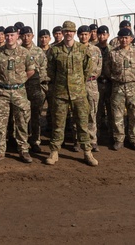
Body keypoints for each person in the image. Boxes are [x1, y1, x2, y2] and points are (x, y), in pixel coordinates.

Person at [45, 21, 98, 166]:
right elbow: (50, 70)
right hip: (61, 93)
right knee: (58, 124)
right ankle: (54, 152)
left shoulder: (82, 49)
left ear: (74, 33)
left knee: (82, 124)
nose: (68, 33)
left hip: (79, 93)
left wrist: (78, 81)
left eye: (71, 31)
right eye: (66, 31)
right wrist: (60, 82)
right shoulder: (55, 50)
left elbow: (87, 68)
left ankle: (87, 152)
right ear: (62, 32)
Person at [0, 26, 36, 163]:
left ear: (17, 35)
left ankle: (23, 150)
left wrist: (20, 81)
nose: (9, 38)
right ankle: (0, 150)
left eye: (12, 35)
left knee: (21, 121)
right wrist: (2, 80)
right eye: (7, 35)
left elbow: (31, 70)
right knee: (0, 123)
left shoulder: (24, 53)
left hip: (19, 92)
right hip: (2, 92)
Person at [106, 27, 135, 151]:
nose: (124, 40)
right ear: (118, 39)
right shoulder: (113, 53)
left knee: (134, 114)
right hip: (118, 86)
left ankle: (134, 139)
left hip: (132, 86)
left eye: (126, 38)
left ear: (131, 39)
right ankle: (119, 139)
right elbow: (107, 69)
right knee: (117, 115)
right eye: (121, 38)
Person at [78, 25, 104, 152]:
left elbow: (99, 68)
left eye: (86, 34)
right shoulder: (75, 49)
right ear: (78, 36)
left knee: (92, 113)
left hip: (92, 84)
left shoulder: (96, 50)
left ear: (90, 35)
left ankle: (93, 140)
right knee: (78, 113)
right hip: (78, 84)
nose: (84, 37)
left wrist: (91, 77)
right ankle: (79, 140)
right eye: (81, 34)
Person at [22, 26, 48, 152]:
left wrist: (38, 80)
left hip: (36, 87)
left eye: (28, 35)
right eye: (24, 35)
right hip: (21, 87)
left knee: (36, 115)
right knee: (22, 115)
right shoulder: (18, 50)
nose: (26, 38)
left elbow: (44, 68)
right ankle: (22, 140)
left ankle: (35, 140)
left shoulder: (38, 52)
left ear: (32, 36)